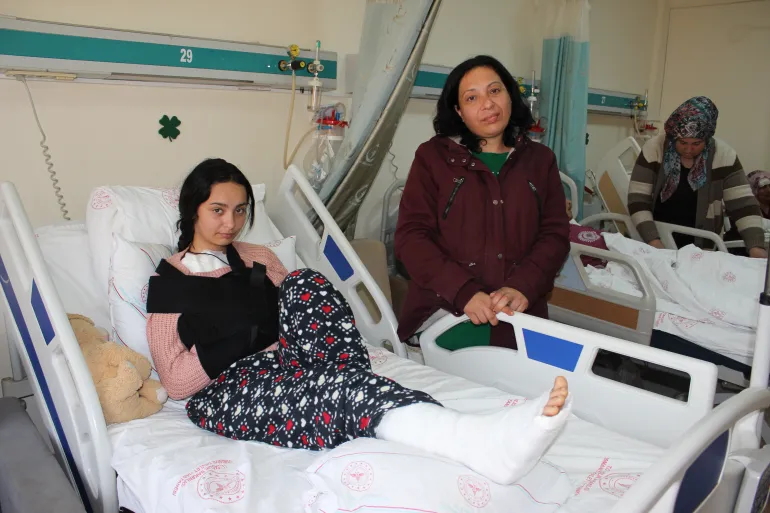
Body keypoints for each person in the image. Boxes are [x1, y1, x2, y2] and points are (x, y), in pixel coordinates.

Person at [145, 158, 572, 485]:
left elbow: (303, 318)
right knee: (340, 389)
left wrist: (273, 331)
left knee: (304, 281)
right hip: (228, 390)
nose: (231, 223)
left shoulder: (260, 257)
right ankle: (474, 440)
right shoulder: (171, 281)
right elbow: (176, 383)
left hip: (289, 365)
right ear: (193, 209)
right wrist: (248, 337)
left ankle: (361, 396)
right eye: (218, 210)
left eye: (240, 211)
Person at [394, 55, 570, 350]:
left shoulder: (540, 161)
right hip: (445, 308)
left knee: (538, 377)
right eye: (472, 97)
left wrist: (523, 286)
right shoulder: (433, 158)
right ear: (459, 111)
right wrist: (463, 291)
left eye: (495, 91)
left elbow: (554, 235)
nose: (487, 104)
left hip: (519, 311)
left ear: (510, 95)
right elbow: (411, 239)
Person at [627, 96, 767, 258]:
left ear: (707, 139)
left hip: (701, 246)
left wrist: (756, 246)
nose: (688, 149)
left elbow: (743, 205)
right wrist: (653, 241)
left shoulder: (724, 156)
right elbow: (638, 200)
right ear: (673, 136)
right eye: (682, 142)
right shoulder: (654, 149)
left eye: (696, 144)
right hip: (653, 239)